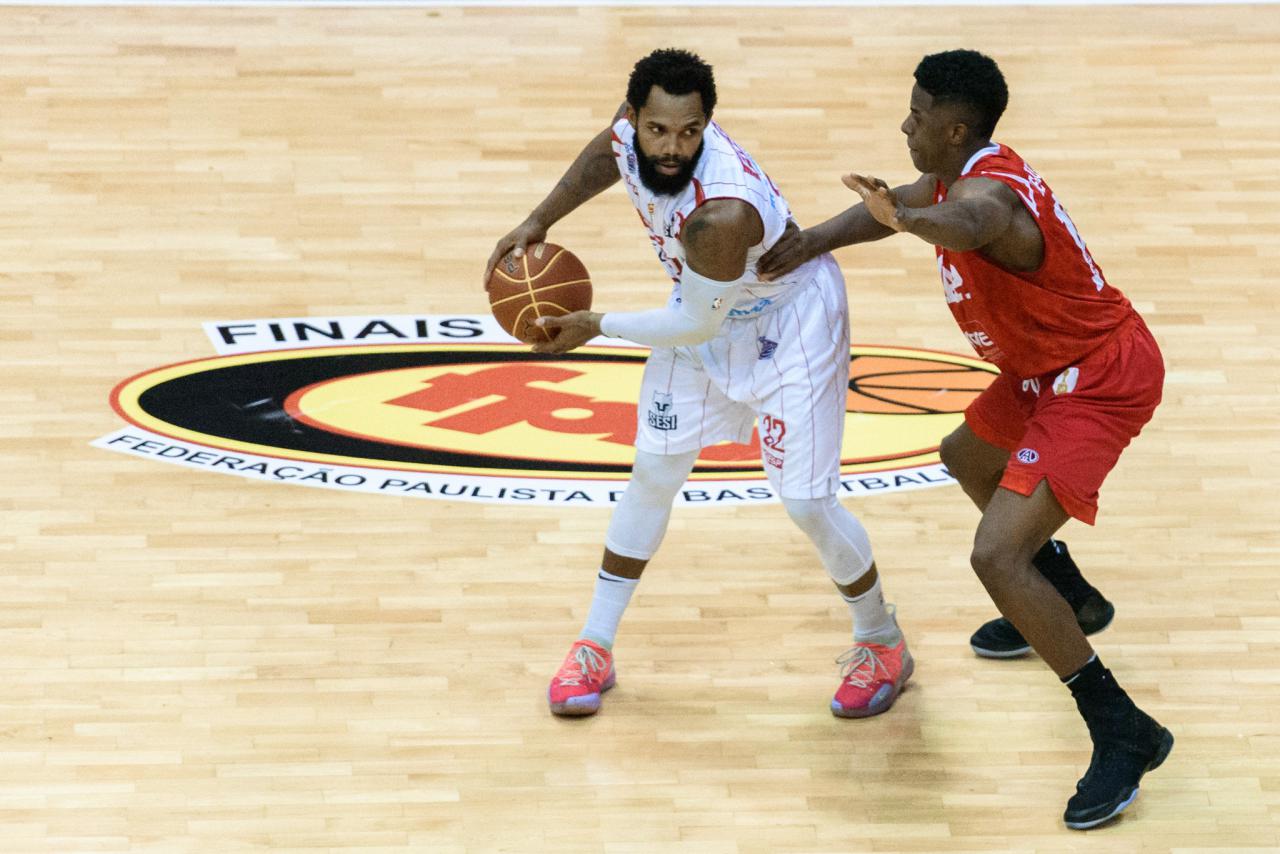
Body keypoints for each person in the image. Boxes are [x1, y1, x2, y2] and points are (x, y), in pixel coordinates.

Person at [757, 48, 1172, 830]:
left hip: (1097, 377)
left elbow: (961, 219)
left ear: (954, 129)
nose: (904, 125)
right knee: (965, 456)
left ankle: (1122, 728)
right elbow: (916, 196)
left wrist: (910, 221)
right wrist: (814, 241)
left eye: (915, 115)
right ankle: (1071, 597)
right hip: (1043, 368)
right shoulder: (959, 172)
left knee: (996, 556)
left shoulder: (988, 203)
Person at [484, 48, 912, 722]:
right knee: (653, 473)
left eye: (689, 132)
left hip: (786, 322)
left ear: (708, 124)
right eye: (657, 130)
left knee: (805, 503)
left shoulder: (721, 214)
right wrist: (542, 218)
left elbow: (688, 324)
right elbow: (608, 152)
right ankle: (594, 645)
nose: (672, 148)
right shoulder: (630, 136)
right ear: (635, 117)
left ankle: (882, 642)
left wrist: (596, 323)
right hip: (706, 307)